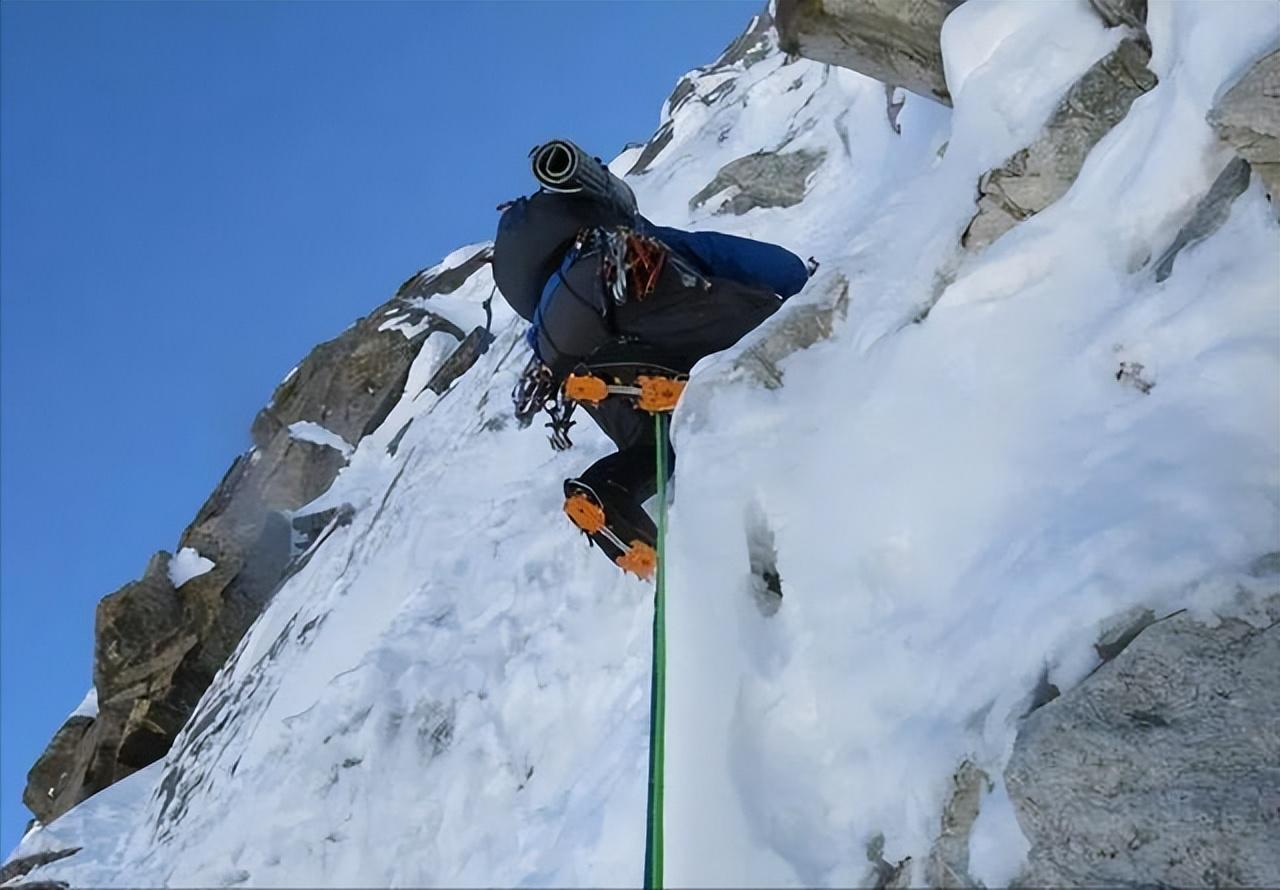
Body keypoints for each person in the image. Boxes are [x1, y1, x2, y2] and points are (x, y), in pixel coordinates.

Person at [493, 143, 810, 579]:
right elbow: (748, 260)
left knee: (654, 448)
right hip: (651, 317)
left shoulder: (547, 311)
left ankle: (608, 489)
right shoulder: (629, 243)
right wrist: (801, 282)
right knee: (758, 323)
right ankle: (689, 384)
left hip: (574, 368)